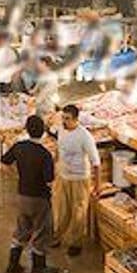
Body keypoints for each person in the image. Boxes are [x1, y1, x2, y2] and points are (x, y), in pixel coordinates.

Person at [1, 115, 58, 273]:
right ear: (43, 133)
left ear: (27, 130)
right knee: (41, 230)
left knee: (22, 229)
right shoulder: (45, 154)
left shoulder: (19, 146)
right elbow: (49, 180)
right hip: (39, 198)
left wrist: (16, 176)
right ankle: (38, 267)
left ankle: (13, 264)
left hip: (22, 195)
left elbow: (4, 162)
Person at [53, 103, 101, 257]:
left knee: (78, 211)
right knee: (62, 209)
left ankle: (76, 242)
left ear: (75, 119)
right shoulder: (61, 130)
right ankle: (58, 235)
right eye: (63, 118)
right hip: (64, 176)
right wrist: (55, 167)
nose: (64, 121)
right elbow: (58, 149)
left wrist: (97, 185)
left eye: (67, 119)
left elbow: (96, 162)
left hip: (80, 178)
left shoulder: (85, 136)